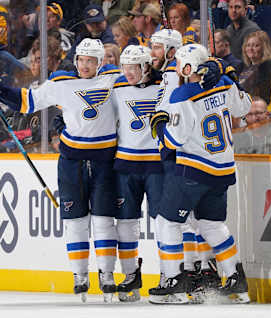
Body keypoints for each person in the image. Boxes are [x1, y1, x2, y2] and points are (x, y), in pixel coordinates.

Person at [0, 38, 121, 303]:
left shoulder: (114, 79)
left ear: (101, 62)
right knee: (75, 221)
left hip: (105, 162)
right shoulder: (61, 82)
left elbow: (144, 83)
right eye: (82, 59)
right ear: (76, 59)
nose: (85, 65)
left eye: (91, 60)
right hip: (71, 162)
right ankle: (80, 275)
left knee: (103, 220)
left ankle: (107, 274)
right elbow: (27, 101)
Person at [148, 43, 251, 304]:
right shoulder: (224, 82)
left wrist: (159, 125)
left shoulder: (183, 94)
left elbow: (175, 139)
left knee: (167, 221)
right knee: (211, 224)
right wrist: (232, 80)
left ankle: (173, 280)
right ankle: (236, 279)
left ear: (186, 67)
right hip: (224, 169)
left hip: (194, 169)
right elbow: (244, 107)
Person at [110, 45, 164, 302]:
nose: (128, 72)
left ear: (145, 67)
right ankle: (131, 275)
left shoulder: (164, 85)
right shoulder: (116, 87)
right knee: (126, 224)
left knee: (166, 223)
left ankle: (169, 274)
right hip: (125, 165)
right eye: (125, 67)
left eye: (133, 67)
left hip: (157, 165)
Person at [239, 30, 271, 104]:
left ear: (264, 48)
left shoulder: (268, 67)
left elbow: (265, 94)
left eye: (256, 46)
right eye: (248, 45)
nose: (250, 49)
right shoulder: (242, 67)